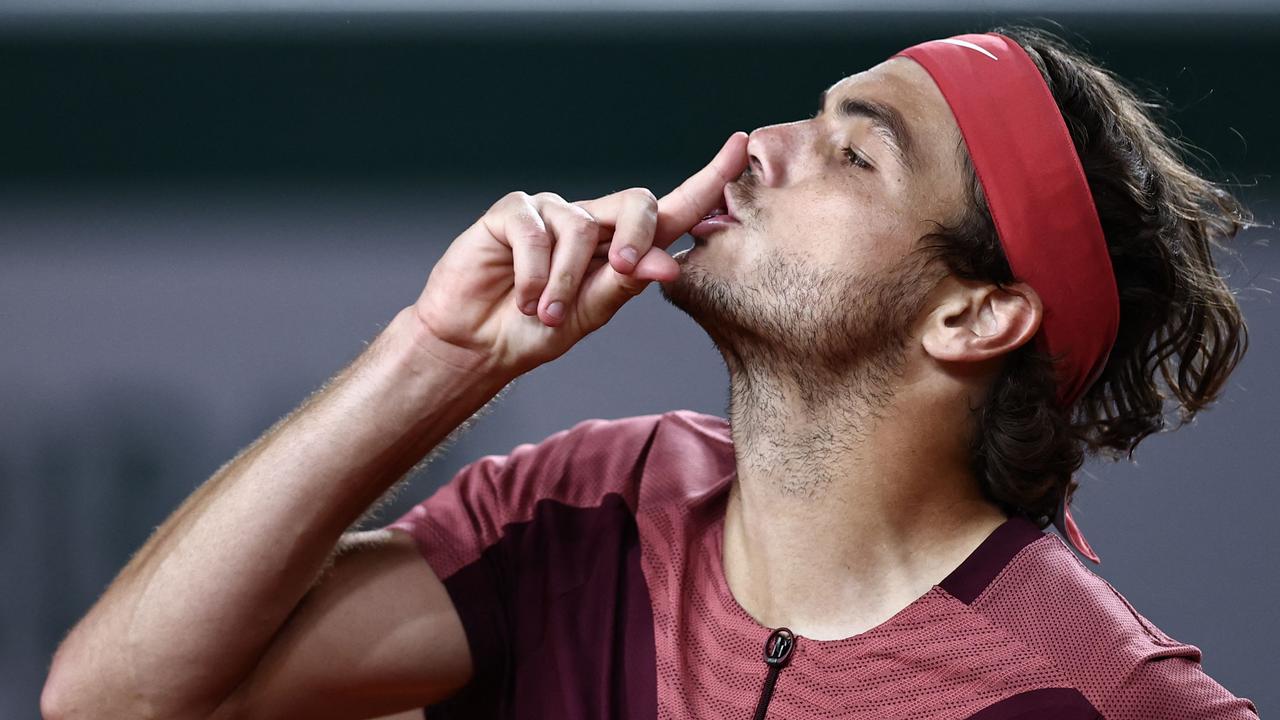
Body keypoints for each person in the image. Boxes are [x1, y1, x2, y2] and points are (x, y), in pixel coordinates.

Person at [42, 26, 1259, 720]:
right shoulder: (588, 507)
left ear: (973, 314)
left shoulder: (1103, 698)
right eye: (803, 114)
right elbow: (115, 705)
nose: (753, 148)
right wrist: (434, 358)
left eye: (849, 153)